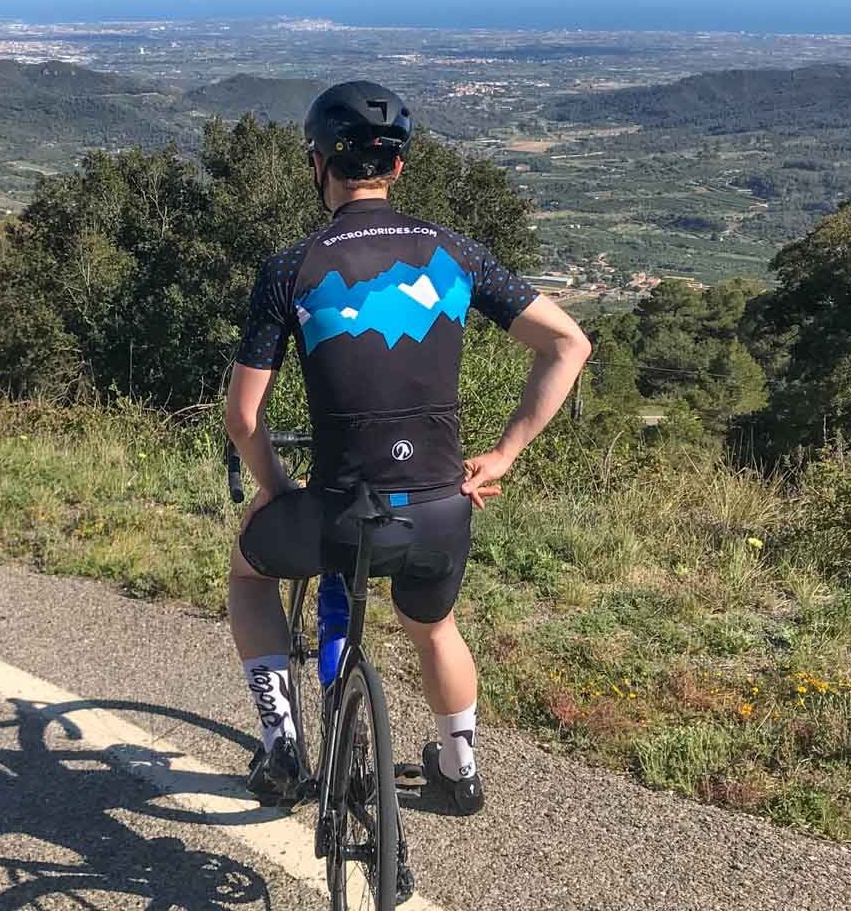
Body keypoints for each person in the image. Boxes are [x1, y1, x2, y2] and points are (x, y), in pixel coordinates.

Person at [226, 81, 590, 818]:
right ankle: (459, 769)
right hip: (437, 511)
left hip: (333, 512)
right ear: (396, 169)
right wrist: (506, 453)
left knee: (248, 573)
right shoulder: (455, 254)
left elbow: (241, 414)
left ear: (318, 166)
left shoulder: (289, 268)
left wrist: (273, 484)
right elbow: (568, 343)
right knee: (434, 629)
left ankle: (282, 746)